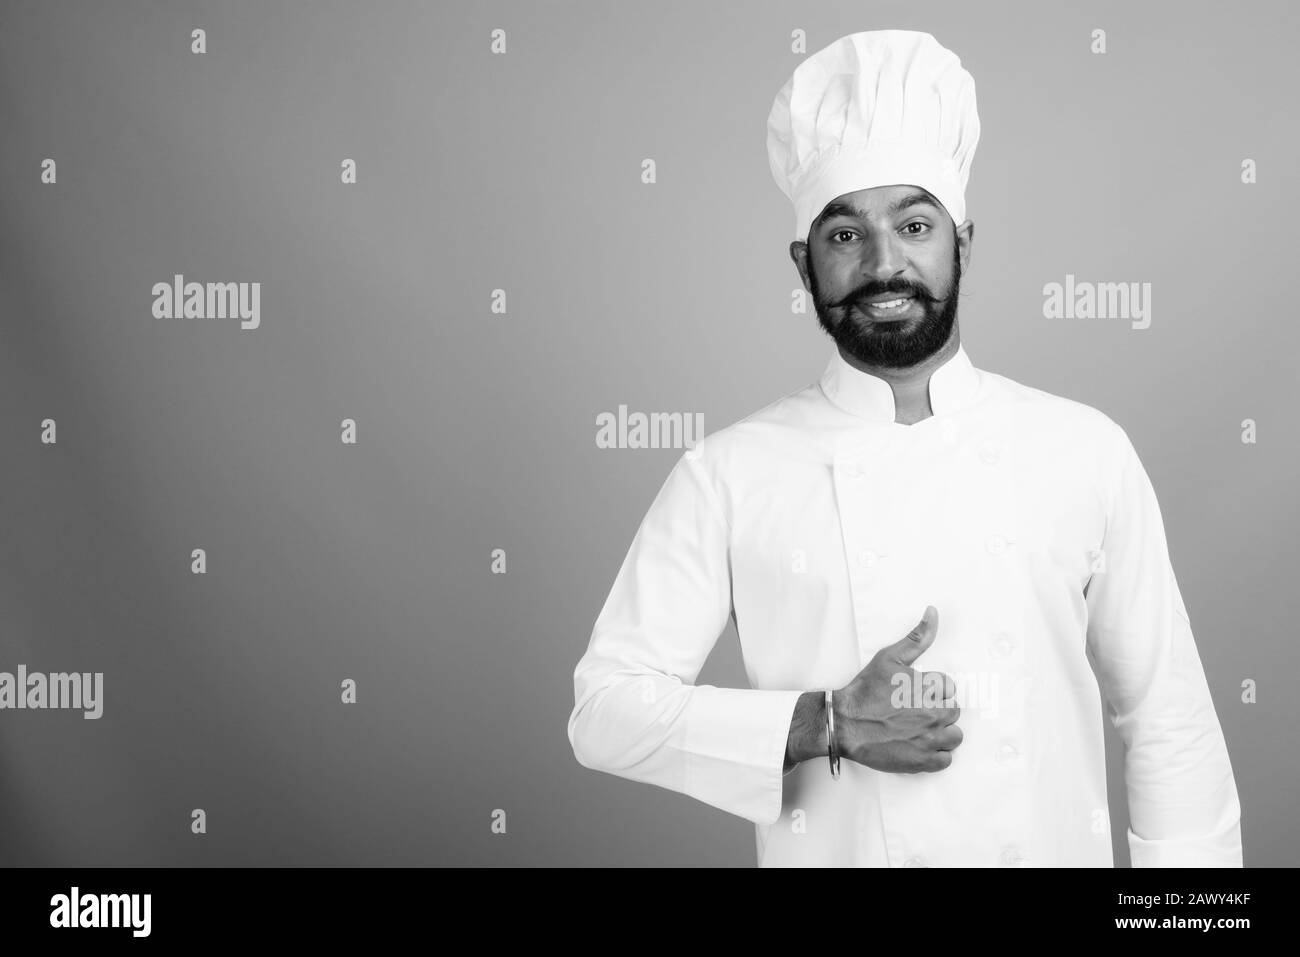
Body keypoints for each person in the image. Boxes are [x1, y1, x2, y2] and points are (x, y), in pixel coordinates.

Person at [567, 29, 1242, 867]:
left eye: (915, 225)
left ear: (962, 243)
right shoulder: (730, 474)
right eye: (845, 235)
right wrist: (825, 721)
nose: (886, 265)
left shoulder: (1084, 450)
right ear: (802, 264)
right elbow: (603, 712)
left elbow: (1167, 720)